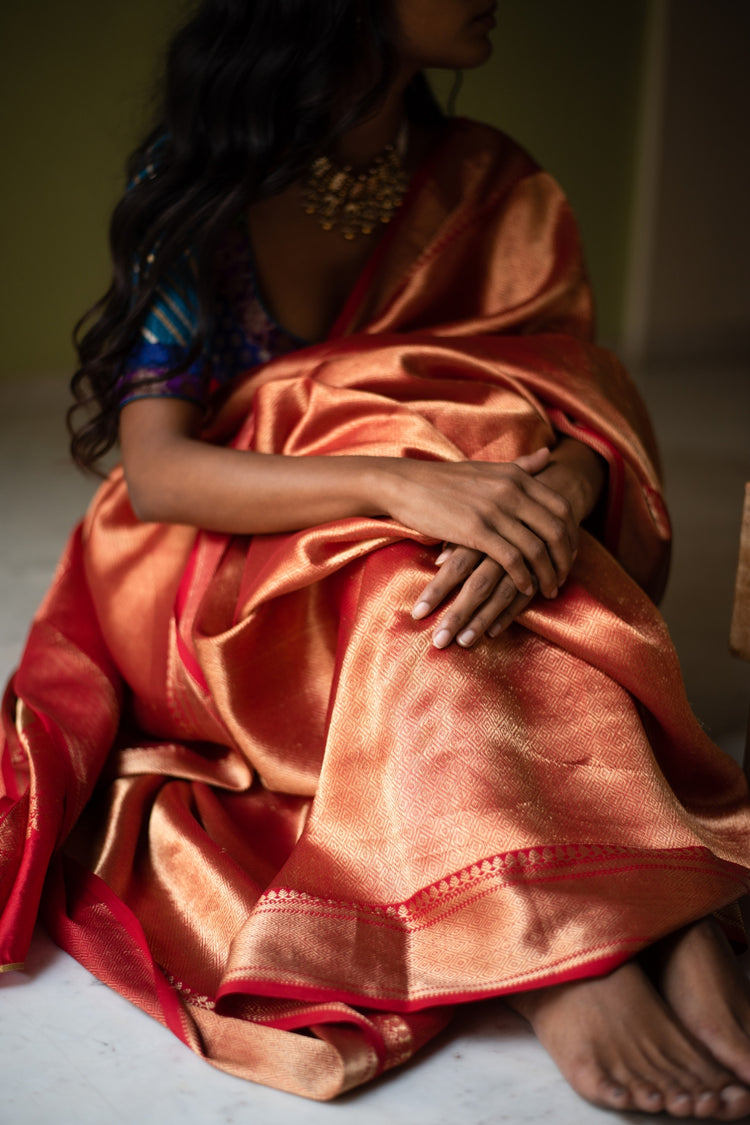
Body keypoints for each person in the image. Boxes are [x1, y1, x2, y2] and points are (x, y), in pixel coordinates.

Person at [2, 0, 750, 1116]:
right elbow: (159, 471)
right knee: (413, 536)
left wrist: (567, 481)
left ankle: (639, 902)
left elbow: (565, 389)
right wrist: (399, 478)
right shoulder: (208, 170)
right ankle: (570, 940)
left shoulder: (493, 184)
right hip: (223, 570)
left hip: (449, 537)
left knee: (488, 491)